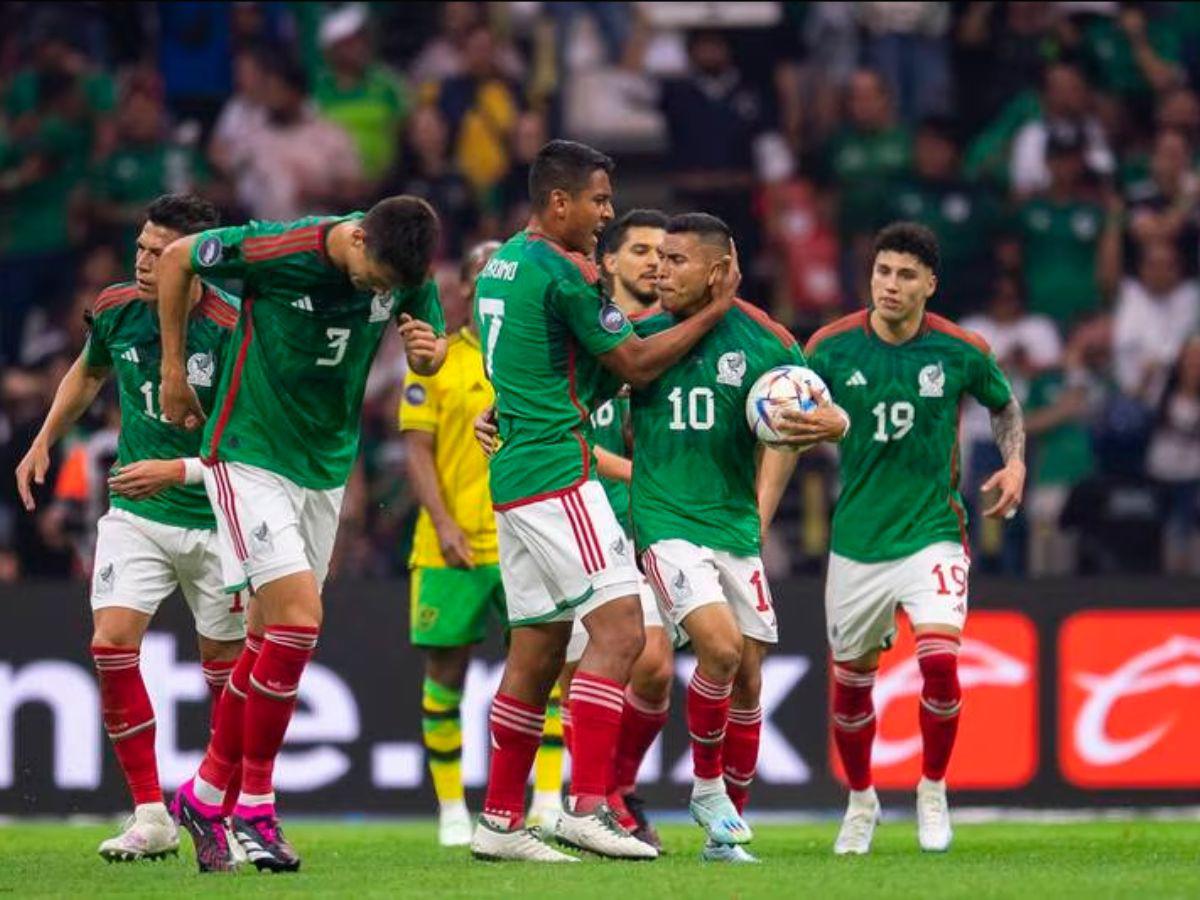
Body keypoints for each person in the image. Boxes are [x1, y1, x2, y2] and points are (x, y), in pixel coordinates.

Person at [468, 140, 739, 863]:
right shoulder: (563, 274)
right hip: (559, 473)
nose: (606, 215)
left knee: (536, 648)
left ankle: (498, 821)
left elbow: (561, 369)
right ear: (558, 202)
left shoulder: (501, 267)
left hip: (515, 478)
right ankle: (587, 805)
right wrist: (716, 312)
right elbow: (636, 363)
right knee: (623, 630)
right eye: (598, 201)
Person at [159, 196, 447, 872]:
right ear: (358, 237)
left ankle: (205, 794)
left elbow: (427, 355)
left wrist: (427, 354)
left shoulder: (407, 272)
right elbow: (177, 260)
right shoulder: (280, 249)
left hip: (324, 468)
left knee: (270, 639)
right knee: (298, 624)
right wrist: (175, 369)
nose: (379, 291)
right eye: (374, 275)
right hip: (248, 450)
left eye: (391, 287)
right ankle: (255, 807)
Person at [13, 194, 244, 863]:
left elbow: (252, 446)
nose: (143, 263)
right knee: (111, 646)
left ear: (195, 262)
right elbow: (88, 374)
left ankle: (218, 810)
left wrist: (175, 469)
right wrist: (44, 440)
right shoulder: (116, 308)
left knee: (224, 679)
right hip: (137, 516)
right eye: (140, 248)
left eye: (159, 252)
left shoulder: (230, 328)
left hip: (213, 521)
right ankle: (150, 814)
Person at [804, 222, 1026, 855]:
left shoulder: (959, 350)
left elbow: (1004, 405)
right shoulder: (829, 347)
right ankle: (861, 798)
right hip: (856, 540)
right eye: (882, 272)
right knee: (851, 687)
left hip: (933, 532)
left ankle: (932, 788)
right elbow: (782, 402)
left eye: (905, 275)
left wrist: (1014, 462)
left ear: (930, 284)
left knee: (939, 663)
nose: (890, 285)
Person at [632, 214, 846, 863]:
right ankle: (703, 789)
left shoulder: (769, 343)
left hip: (732, 525)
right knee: (720, 650)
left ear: (719, 270)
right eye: (657, 259)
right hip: (666, 520)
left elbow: (806, 417)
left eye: (676, 261)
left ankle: (726, 838)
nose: (659, 271)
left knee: (749, 677)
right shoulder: (639, 338)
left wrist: (832, 421)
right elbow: (578, 399)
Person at [400, 240, 563, 846]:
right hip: (452, 545)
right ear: (467, 290)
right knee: (446, 672)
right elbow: (416, 450)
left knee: (547, 668)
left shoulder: (532, 356)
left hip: (525, 536)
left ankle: (546, 799)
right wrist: (442, 524)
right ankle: (450, 809)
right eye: (481, 274)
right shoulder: (437, 362)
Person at [559, 209, 674, 850]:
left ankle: (616, 789)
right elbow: (564, 429)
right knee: (589, 666)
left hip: (651, 523)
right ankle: (594, 800)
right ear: (607, 263)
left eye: (664, 252)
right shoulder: (584, 331)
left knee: (654, 669)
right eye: (640, 251)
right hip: (584, 515)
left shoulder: (672, 339)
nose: (655, 262)